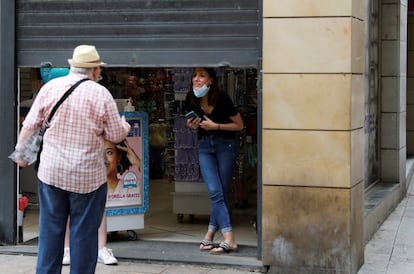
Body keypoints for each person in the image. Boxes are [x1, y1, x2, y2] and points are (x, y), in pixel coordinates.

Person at [13, 45, 131, 274]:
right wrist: (124, 126)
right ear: (95, 70)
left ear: (72, 66)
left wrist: (20, 154)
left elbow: (29, 126)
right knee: (85, 234)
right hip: (87, 178)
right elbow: (116, 135)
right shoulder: (101, 94)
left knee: (50, 231)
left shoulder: (50, 88)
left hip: (52, 173)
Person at [185, 67, 244, 254]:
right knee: (215, 191)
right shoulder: (191, 98)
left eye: (201, 76)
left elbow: (239, 125)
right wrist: (191, 125)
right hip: (204, 147)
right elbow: (193, 123)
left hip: (224, 146)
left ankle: (210, 234)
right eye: (194, 75)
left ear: (210, 80)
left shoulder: (222, 98)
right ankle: (229, 238)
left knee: (221, 191)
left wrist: (215, 126)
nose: (196, 79)